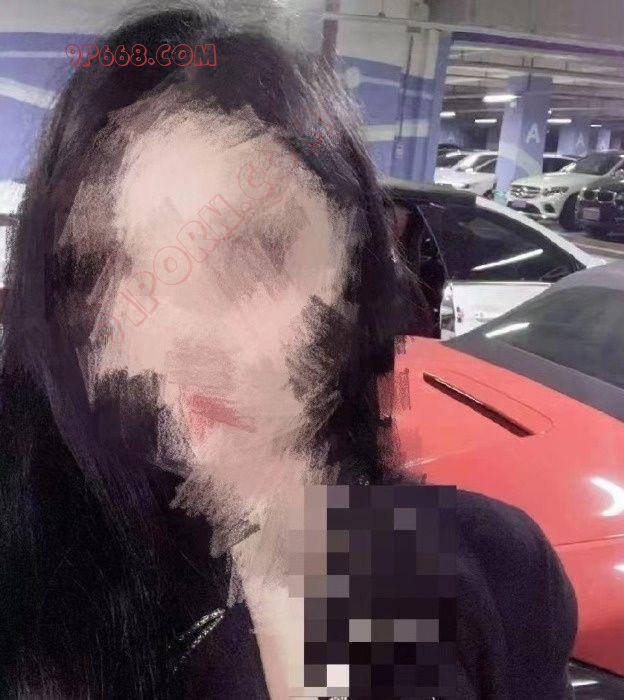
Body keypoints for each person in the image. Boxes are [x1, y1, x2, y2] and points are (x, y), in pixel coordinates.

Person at [0, 7, 576, 698]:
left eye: (250, 250)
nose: (177, 337)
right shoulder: (32, 581)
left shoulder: (496, 573)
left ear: (353, 274)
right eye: (107, 265)